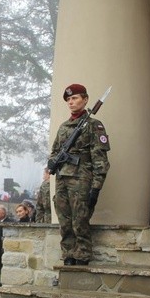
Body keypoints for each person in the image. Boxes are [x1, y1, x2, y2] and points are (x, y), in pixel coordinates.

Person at [49, 83, 110, 266]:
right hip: (62, 179)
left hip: (81, 179)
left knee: (80, 220)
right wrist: (52, 162)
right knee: (64, 220)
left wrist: (96, 188)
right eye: (68, 99)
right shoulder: (63, 127)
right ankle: (68, 254)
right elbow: (54, 151)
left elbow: (100, 160)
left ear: (85, 99)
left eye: (74, 98)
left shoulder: (93, 125)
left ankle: (82, 255)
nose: (71, 102)